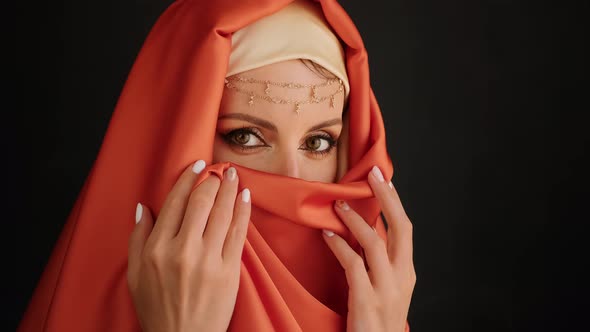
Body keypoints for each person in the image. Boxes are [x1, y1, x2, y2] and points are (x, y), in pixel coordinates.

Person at [18, 0, 415, 331]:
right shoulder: (96, 304)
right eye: (245, 137)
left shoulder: (368, 304)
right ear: (172, 144)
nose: (292, 182)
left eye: (318, 142)